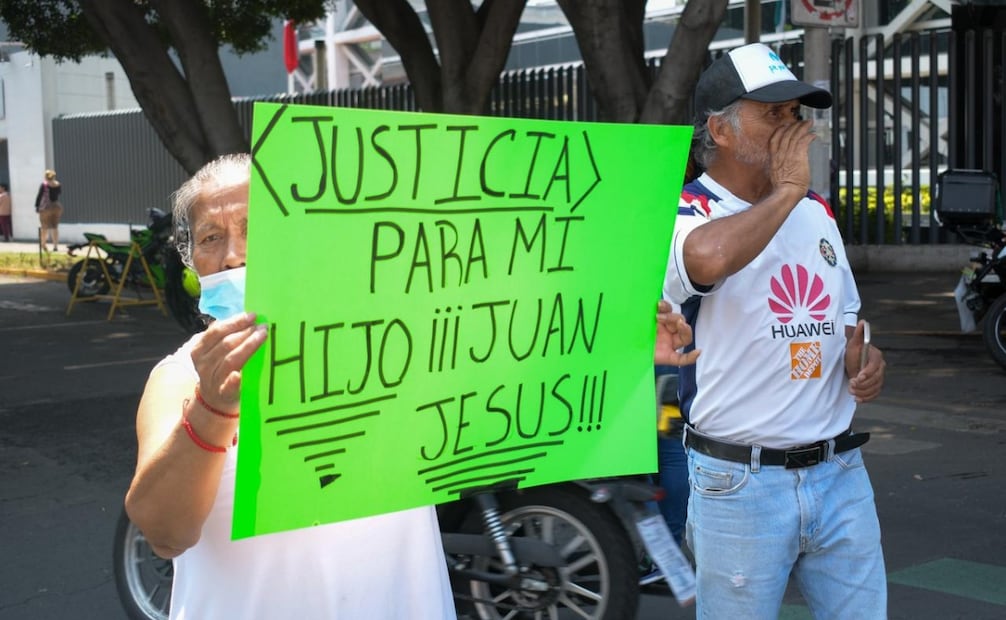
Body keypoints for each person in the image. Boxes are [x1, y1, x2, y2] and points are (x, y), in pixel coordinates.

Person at [123, 153, 456, 619]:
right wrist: (212, 408)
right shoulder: (180, 377)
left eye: (254, 228)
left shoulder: (397, 346)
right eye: (211, 238)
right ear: (192, 263)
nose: (233, 254)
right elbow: (164, 533)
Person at [663, 43, 887, 618]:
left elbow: (844, 323)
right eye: (774, 114)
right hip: (740, 484)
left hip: (839, 473)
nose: (794, 128)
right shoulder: (685, 211)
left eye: (796, 113)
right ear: (722, 130)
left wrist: (860, 361)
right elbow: (706, 261)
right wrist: (787, 190)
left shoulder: (816, 212)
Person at [35, 169, 63, 251]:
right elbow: (59, 193)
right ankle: (55, 246)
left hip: (46, 207)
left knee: (44, 227)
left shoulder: (44, 185)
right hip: (57, 206)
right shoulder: (58, 184)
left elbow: (39, 196)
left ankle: (43, 244)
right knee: (55, 227)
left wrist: (37, 206)